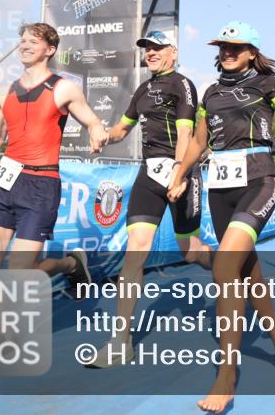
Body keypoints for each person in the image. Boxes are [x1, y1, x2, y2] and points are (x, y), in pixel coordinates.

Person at [168, 20, 275, 413]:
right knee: (249, 274)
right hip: (221, 189)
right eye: (223, 47)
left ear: (252, 52)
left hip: (259, 179)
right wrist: (179, 176)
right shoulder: (210, 92)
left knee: (224, 267)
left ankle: (226, 375)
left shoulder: (268, 83)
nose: (227, 53)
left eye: (235, 47)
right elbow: (199, 141)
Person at [0, 23, 106, 283]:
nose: (25, 45)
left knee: (20, 272)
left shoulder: (63, 88)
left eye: (33, 41)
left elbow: (93, 121)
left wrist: (97, 130)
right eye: (23, 41)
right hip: (3, 182)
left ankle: (70, 265)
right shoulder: (4, 92)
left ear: (50, 50)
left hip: (40, 185)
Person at [89, 30, 212, 367]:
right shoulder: (142, 90)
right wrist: (102, 134)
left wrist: (179, 175)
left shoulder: (182, 84)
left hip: (181, 171)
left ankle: (230, 268)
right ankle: (120, 341)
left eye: (158, 48)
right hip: (149, 175)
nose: (151, 53)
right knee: (135, 254)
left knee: (191, 253)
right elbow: (122, 130)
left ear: (173, 51)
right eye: (147, 49)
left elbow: (186, 133)